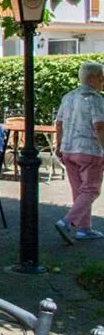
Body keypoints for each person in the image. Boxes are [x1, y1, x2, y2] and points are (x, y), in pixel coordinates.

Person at [54, 61, 104, 242]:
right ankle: (68, 222)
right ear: (93, 78)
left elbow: (58, 123)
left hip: (68, 149)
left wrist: (59, 145)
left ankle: (85, 228)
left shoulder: (68, 97)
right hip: (89, 150)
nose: (102, 81)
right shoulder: (95, 99)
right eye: (101, 77)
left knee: (79, 190)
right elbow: (99, 125)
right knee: (91, 190)